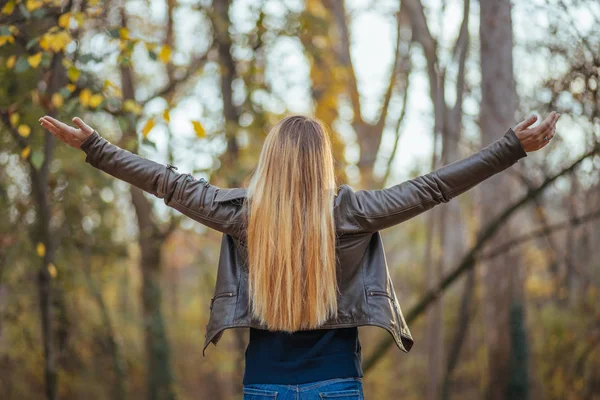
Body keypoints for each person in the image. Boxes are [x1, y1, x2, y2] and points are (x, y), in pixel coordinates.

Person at [39, 111, 559, 400]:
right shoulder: (352, 214)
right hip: (337, 385)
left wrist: (96, 146)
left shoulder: (244, 216)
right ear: (322, 164)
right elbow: (431, 188)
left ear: (271, 162)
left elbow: (168, 184)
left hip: (263, 385)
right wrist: (510, 147)